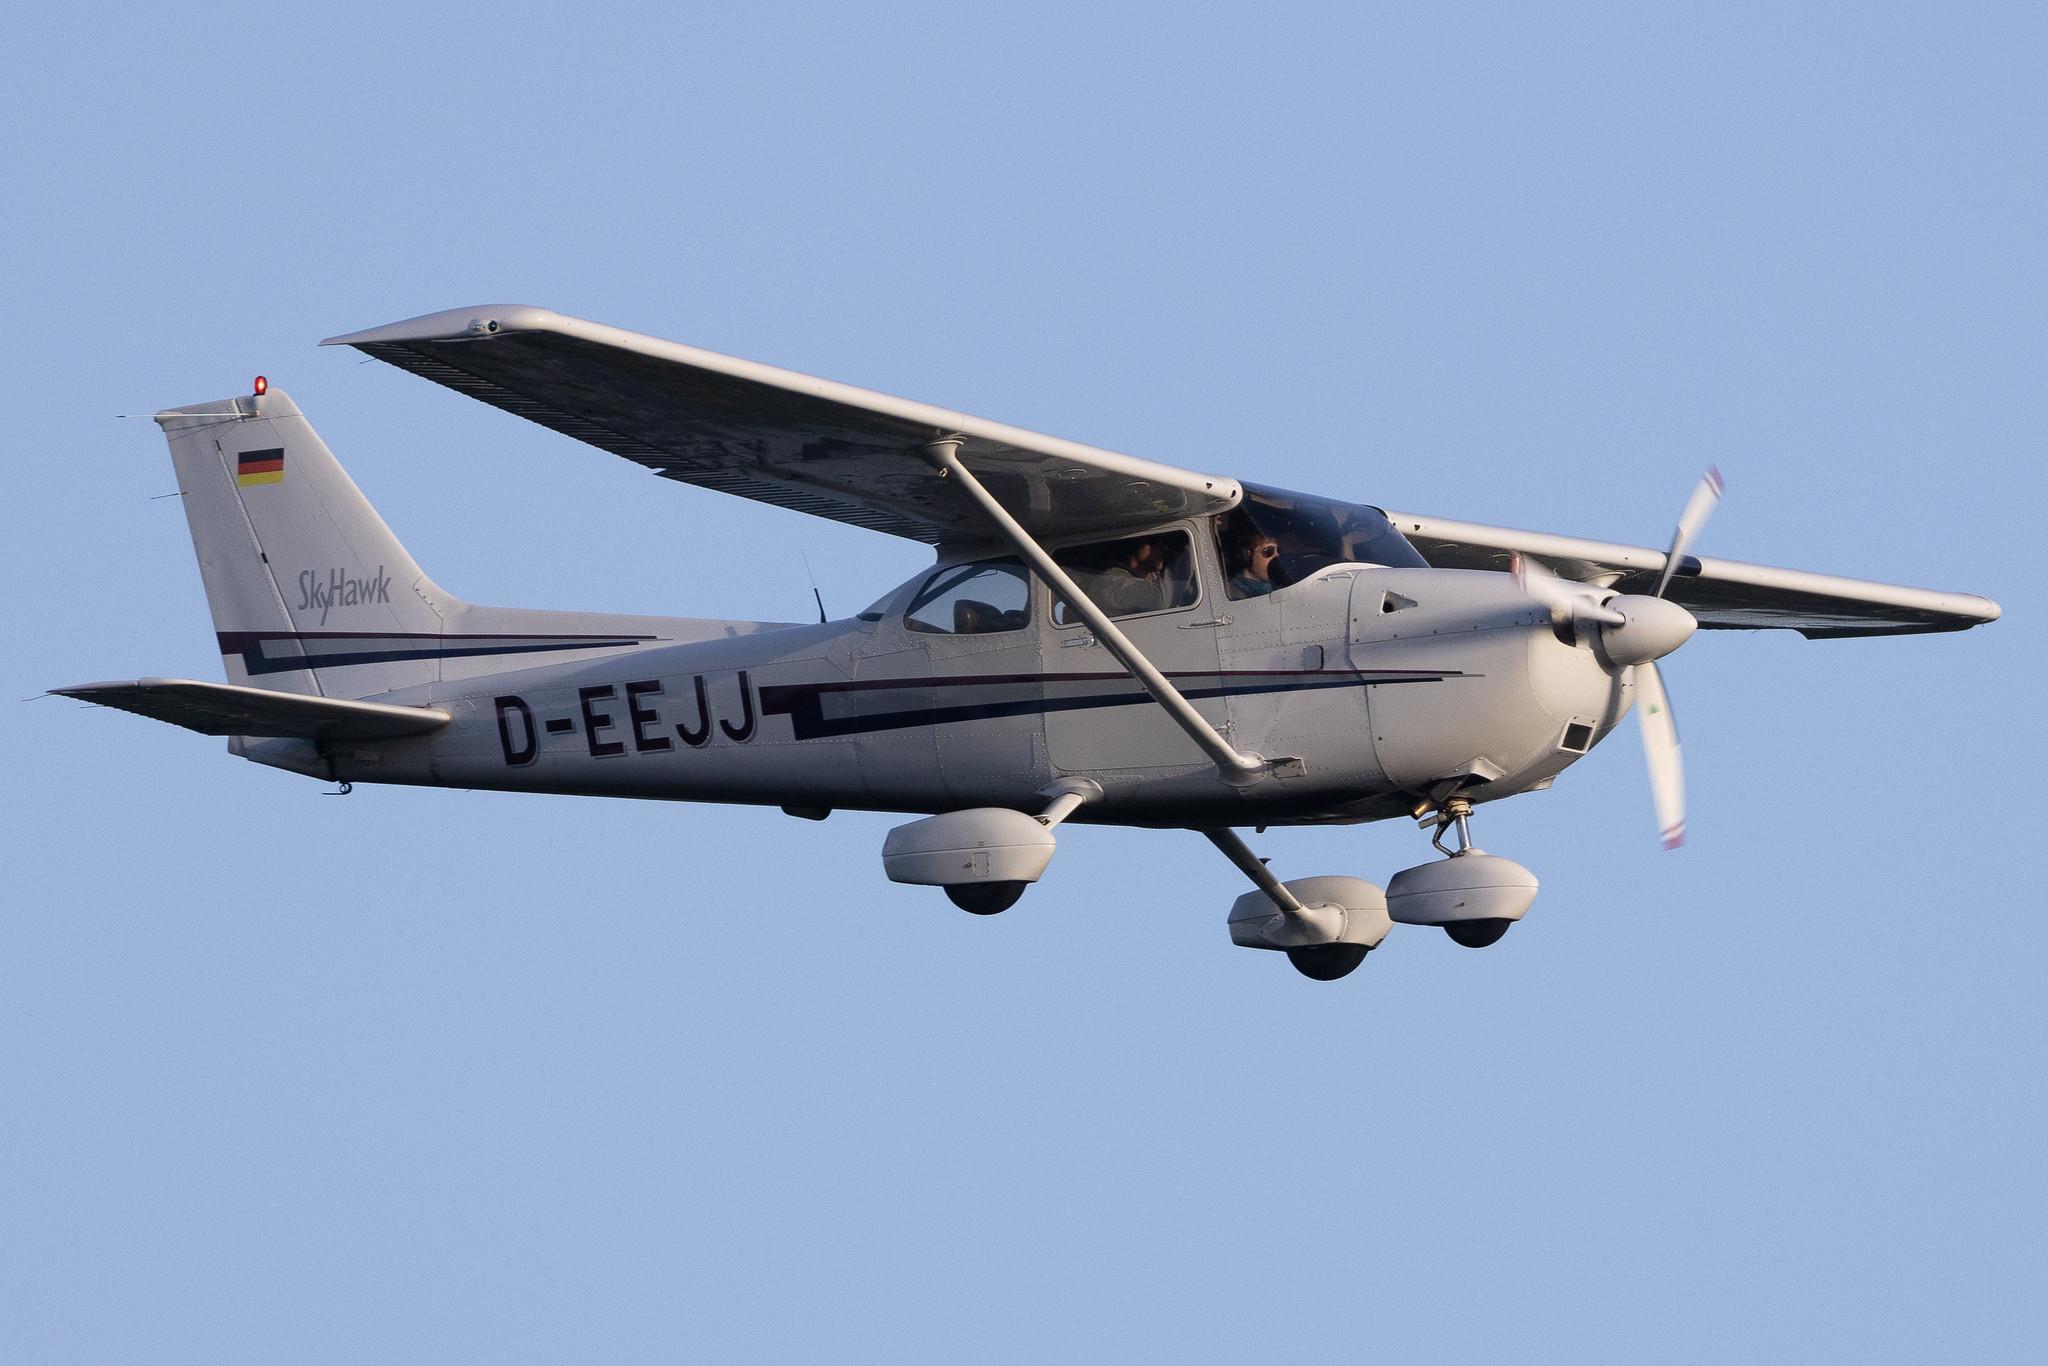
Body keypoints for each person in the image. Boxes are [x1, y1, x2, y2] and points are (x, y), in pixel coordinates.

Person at [1083, 537, 1170, 617]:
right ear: (1135, 544)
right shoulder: (1113, 581)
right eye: (1153, 542)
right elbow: (1157, 603)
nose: (1163, 549)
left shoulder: (1150, 577)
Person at [1227, 528, 1281, 598]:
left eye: (1278, 550)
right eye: (1269, 551)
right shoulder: (1233, 593)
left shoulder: (1276, 584)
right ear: (1247, 555)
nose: (1276, 556)